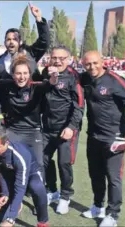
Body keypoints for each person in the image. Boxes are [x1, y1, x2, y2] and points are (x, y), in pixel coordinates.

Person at [79, 51, 125, 227]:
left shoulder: (115, 80)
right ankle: (98, 206)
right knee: (95, 174)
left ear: (102, 62)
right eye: (88, 64)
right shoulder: (85, 78)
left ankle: (113, 214)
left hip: (114, 139)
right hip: (93, 137)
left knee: (113, 178)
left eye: (95, 63)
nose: (92, 67)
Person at [0, 55, 58, 178]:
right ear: (13, 74)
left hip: (33, 132)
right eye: (18, 73)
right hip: (13, 131)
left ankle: (38, 192)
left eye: (25, 73)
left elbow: (50, 84)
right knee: (9, 163)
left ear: (30, 74)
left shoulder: (36, 87)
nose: (22, 77)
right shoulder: (5, 85)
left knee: (38, 165)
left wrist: (54, 77)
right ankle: (10, 192)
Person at [39, 46, 84, 214]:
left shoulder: (74, 77)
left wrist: (71, 127)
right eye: (54, 57)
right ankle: (52, 191)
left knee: (64, 163)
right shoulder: (46, 73)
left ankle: (65, 196)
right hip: (47, 128)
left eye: (61, 58)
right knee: (43, 160)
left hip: (66, 129)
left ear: (70, 59)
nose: (57, 61)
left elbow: (79, 105)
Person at [0, 126, 49, 227]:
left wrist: (11, 219)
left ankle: (43, 221)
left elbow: (20, 186)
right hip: (10, 176)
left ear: (6, 143)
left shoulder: (20, 155)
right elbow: (1, 174)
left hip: (31, 174)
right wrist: (5, 193)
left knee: (36, 187)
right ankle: (16, 205)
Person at [0, 3, 49, 79]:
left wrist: (39, 19)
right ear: (4, 43)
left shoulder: (30, 54)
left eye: (15, 39)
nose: (11, 42)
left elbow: (44, 42)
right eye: (8, 39)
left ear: (20, 42)